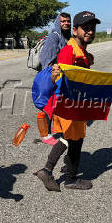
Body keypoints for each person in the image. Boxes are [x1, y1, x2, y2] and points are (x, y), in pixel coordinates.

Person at [33, 11, 112, 191]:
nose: (90, 32)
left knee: (71, 138)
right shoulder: (69, 51)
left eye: (93, 28)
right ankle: (66, 177)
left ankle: (58, 169)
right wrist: (55, 75)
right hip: (70, 104)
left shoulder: (80, 50)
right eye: (86, 28)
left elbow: (86, 78)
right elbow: (61, 80)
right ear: (75, 31)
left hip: (76, 103)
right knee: (75, 139)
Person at [37, 13, 72, 145]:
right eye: (63, 21)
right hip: (52, 76)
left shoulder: (66, 36)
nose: (66, 23)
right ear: (58, 22)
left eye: (68, 21)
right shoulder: (54, 36)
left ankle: (51, 126)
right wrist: (51, 76)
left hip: (61, 76)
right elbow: (46, 58)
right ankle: (45, 135)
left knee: (56, 103)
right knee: (49, 104)